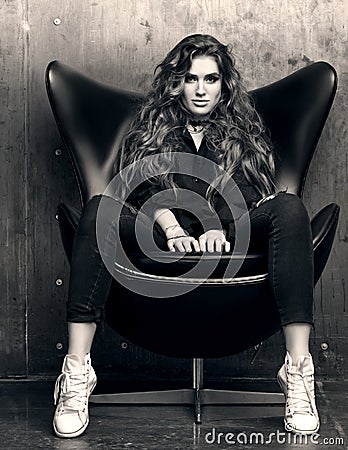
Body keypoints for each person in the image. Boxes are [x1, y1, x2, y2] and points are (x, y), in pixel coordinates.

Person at [53, 34, 319, 438]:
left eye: (210, 79)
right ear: (176, 82)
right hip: (158, 235)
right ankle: (76, 374)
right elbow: (136, 188)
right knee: (99, 208)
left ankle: (298, 372)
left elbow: (255, 192)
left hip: (230, 237)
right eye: (190, 78)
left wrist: (218, 226)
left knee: (289, 206)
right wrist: (170, 224)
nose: (200, 90)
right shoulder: (153, 128)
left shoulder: (242, 130)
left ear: (224, 84)